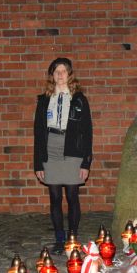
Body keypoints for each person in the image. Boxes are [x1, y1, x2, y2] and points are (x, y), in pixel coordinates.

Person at [33, 57, 93, 255]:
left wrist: (86, 162)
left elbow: (87, 132)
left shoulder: (79, 99)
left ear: (69, 75)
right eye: (56, 71)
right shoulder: (44, 100)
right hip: (51, 149)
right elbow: (38, 133)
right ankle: (60, 238)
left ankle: (72, 238)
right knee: (55, 197)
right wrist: (38, 163)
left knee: (72, 196)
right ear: (52, 75)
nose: (60, 75)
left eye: (63, 71)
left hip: (73, 150)